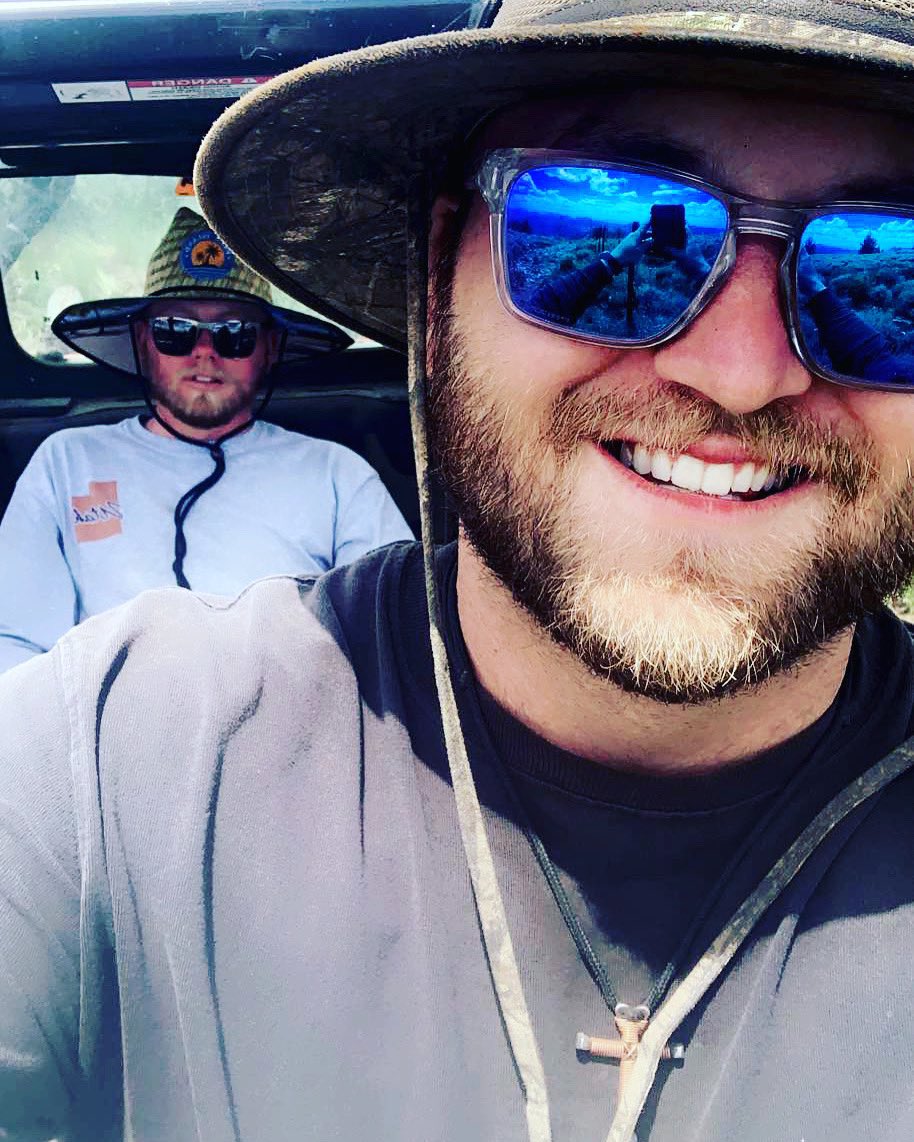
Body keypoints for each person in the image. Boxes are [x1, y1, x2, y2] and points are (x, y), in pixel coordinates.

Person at [5, 2, 914, 1141]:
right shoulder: (104, 758)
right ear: (441, 275)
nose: (737, 372)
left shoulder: (328, 474)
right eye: (621, 240)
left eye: (892, 275)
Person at [0, 207, 412, 671]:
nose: (203, 352)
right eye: (174, 331)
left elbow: (395, 633)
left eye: (234, 334)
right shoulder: (68, 462)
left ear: (269, 348)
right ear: (142, 342)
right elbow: (14, 645)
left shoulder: (337, 473)